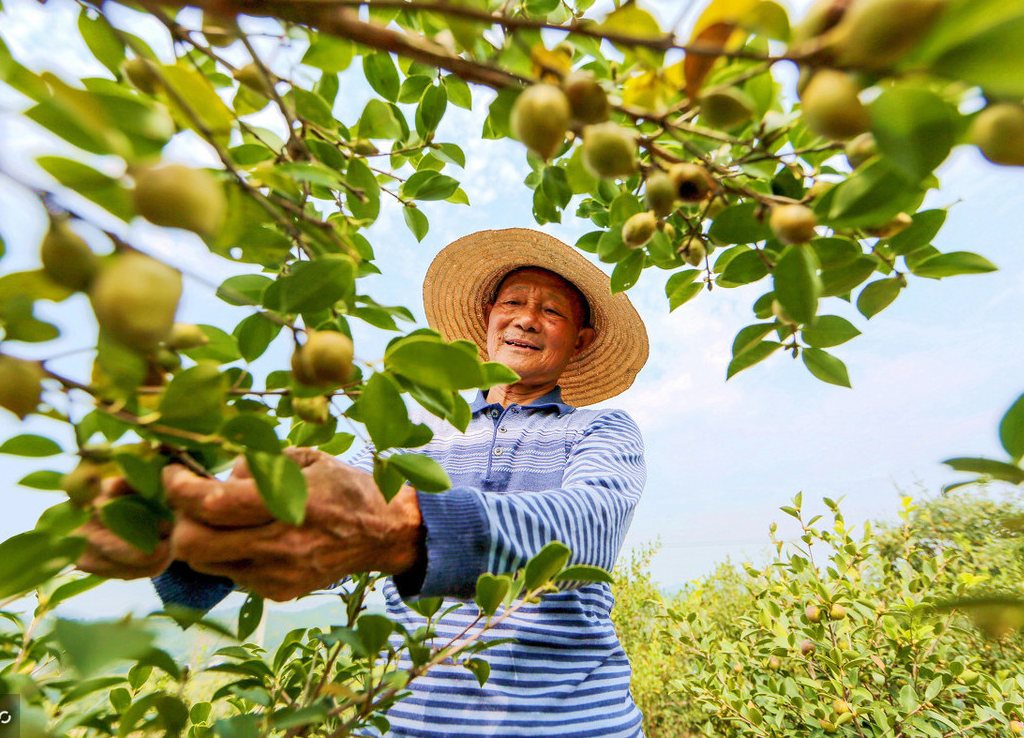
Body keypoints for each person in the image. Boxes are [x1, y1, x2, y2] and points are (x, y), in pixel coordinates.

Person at [75, 227, 651, 737]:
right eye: (514, 302)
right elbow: (320, 521)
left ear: (580, 340)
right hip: (411, 720)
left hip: (574, 721)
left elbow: (587, 527)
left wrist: (403, 527)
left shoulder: (601, 428)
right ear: (487, 319)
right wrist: (185, 534)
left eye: (552, 311)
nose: (527, 318)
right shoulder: (413, 427)